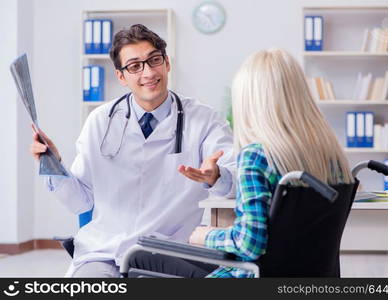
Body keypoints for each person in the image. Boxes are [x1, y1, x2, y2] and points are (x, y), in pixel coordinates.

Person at [30, 24, 235, 277]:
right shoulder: (100, 121)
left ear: (167, 63)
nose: (148, 72)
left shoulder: (204, 120)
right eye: (135, 66)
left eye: (154, 60)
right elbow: (80, 201)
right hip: (105, 251)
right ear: (121, 76)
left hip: (166, 252)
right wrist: (53, 165)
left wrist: (216, 177)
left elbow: (235, 180)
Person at [129, 49, 354, 277]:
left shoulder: (257, 156)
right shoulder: (331, 156)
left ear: (250, 100)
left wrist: (205, 235)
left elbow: (249, 243)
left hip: (248, 277)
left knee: (139, 256)